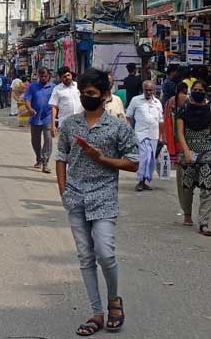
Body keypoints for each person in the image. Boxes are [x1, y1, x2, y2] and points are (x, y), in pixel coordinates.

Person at [56, 68, 139, 336]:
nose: (85, 97)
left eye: (90, 93)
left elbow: (134, 162)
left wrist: (102, 158)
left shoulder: (117, 127)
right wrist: (63, 191)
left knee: (106, 253)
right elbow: (61, 157)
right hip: (76, 196)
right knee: (85, 257)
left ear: (104, 95)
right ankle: (96, 313)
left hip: (103, 196)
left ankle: (114, 299)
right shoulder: (70, 124)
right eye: (82, 93)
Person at [176, 80, 211, 235]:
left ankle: (204, 223)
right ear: (191, 91)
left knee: (207, 187)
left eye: (201, 89)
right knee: (186, 187)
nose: (198, 92)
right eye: (195, 89)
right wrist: (186, 151)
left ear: (205, 92)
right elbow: (180, 132)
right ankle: (187, 214)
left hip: (207, 151)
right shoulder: (183, 109)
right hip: (189, 151)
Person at [126, 80, 164, 192]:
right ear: (143, 90)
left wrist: (163, 136)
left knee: (151, 158)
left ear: (154, 90)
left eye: (150, 90)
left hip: (154, 134)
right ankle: (140, 180)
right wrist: (129, 131)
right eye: (146, 90)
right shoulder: (136, 100)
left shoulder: (157, 102)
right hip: (140, 133)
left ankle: (146, 180)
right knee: (145, 156)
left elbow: (161, 121)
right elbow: (128, 116)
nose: (148, 92)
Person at [24, 67, 56, 173]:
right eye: (41, 76)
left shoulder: (53, 87)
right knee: (35, 141)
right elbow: (27, 100)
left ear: (49, 76)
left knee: (48, 140)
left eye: (45, 76)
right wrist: (30, 109)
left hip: (48, 117)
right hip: (35, 118)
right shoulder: (33, 87)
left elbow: (57, 102)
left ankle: (45, 162)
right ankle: (39, 158)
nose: (43, 78)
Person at [49, 66, 82, 138]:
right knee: (65, 147)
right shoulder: (57, 89)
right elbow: (54, 107)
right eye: (64, 76)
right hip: (65, 124)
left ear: (71, 75)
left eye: (68, 75)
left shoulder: (78, 86)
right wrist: (53, 125)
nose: (67, 78)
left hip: (80, 123)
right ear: (60, 78)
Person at [163, 82, 188, 162]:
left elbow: (167, 114)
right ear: (184, 89)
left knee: (174, 140)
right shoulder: (187, 98)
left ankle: (174, 157)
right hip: (184, 122)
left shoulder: (171, 100)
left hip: (173, 124)